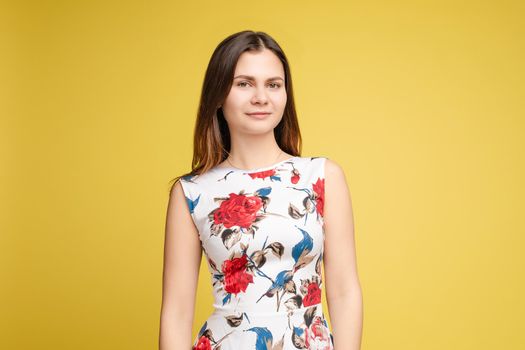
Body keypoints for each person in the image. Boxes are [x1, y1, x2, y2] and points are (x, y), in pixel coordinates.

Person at [159, 30, 362, 350]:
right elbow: (177, 311)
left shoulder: (321, 176)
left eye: (273, 84)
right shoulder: (192, 191)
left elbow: (344, 291)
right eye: (244, 83)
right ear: (218, 94)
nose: (261, 97)